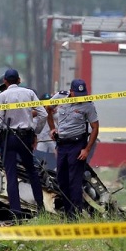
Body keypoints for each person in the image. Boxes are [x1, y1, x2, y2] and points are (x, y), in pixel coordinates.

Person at [0, 69, 47, 217]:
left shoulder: (2, 96)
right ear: (19, 80)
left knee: (11, 175)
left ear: (5, 82)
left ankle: (16, 213)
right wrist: (35, 131)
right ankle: (41, 208)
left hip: (9, 139)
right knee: (32, 173)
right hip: (26, 138)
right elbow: (43, 114)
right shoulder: (29, 93)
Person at [49, 78, 100, 218]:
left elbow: (95, 128)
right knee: (62, 180)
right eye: (77, 94)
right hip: (62, 145)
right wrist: (52, 129)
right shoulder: (60, 97)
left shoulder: (88, 105)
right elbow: (48, 109)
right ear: (71, 92)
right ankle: (67, 212)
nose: (80, 98)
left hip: (77, 146)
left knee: (74, 181)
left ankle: (75, 216)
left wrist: (87, 149)